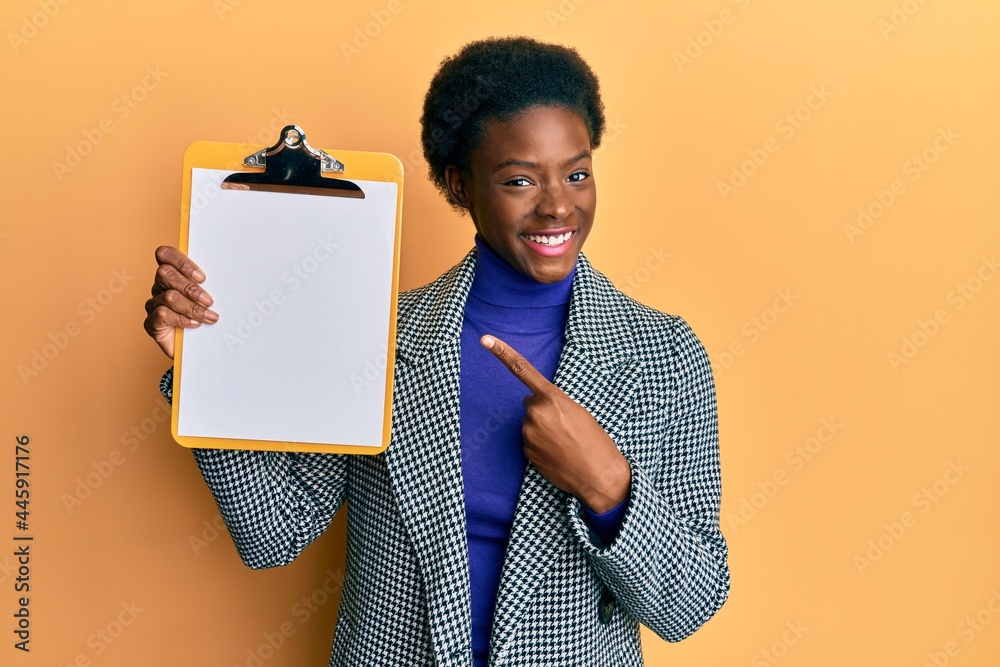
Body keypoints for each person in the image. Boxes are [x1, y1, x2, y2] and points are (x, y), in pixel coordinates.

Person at [143, 37, 729, 667]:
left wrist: (608, 486)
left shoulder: (664, 353)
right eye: (519, 179)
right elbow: (273, 534)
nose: (559, 203)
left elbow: (688, 605)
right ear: (459, 184)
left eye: (578, 172)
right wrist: (207, 367)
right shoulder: (379, 334)